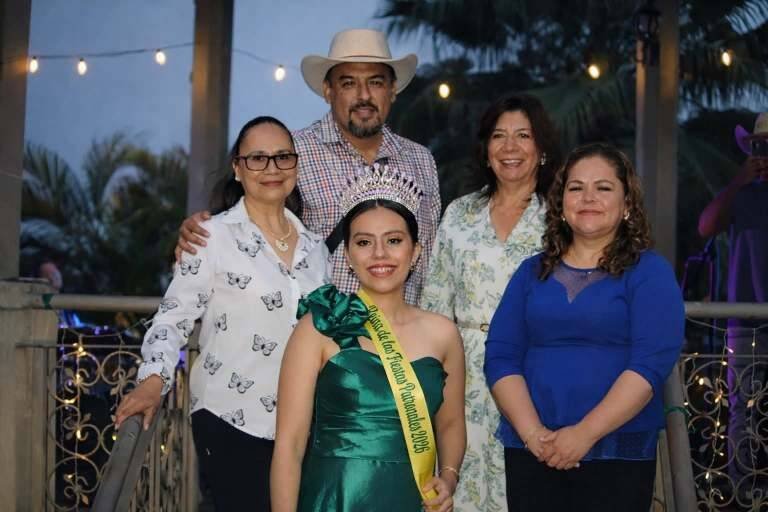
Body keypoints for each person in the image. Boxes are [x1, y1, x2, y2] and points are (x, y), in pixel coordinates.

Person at [114, 116, 330, 510]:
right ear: (237, 168)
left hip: (304, 429)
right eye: (257, 158)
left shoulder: (316, 249)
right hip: (231, 418)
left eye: (283, 157)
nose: (272, 168)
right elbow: (173, 318)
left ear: (296, 165)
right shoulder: (211, 237)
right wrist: (153, 381)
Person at [484, 143, 684, 512]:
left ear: (627, 204)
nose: (588, 197)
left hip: (616, 453)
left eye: (603, 187)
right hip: (533, 449)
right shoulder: (530, 272)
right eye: (576, 188)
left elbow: (649, 365)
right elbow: (500, 357)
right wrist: (533, 434)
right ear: (561, 204)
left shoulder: (650, 272)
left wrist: (583, 435)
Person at [176, 29, 440, 305]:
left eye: (375, 82)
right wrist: (202, 230)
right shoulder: (290, 154)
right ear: (328, 91)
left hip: (404, 329)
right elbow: (240, 231)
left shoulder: (420, 160)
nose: (364, 95)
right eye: (348, 83)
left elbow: (432, 264)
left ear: (392, 89)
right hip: (318, 328)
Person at [270, 165, 466, 511]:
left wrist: (448, 478)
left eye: (394, 240)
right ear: (347, 255)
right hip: (335, 497)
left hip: (412, 499)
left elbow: (450, 422)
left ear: (415, 252)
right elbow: (290, 445)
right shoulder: (320, 326)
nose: (379, 254)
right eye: (364, 242)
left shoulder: (443, 333)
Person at [420, 93, 561, 510]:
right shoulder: (460, 212)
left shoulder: (561, 217)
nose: (509, 147)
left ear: (542, 148)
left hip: (532, 371)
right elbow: (435, 301)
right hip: (459, 372)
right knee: (456, 484)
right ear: (485, 148)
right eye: (499, 136)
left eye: (523, 135)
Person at [698, 112, 768, 493]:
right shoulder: (742, 195)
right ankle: (744, 493)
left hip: (747, 317)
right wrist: (741, 178)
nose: (763, 155)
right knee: (742, 408)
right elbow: (706, 225)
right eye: (759, 147)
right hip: (744, 320)